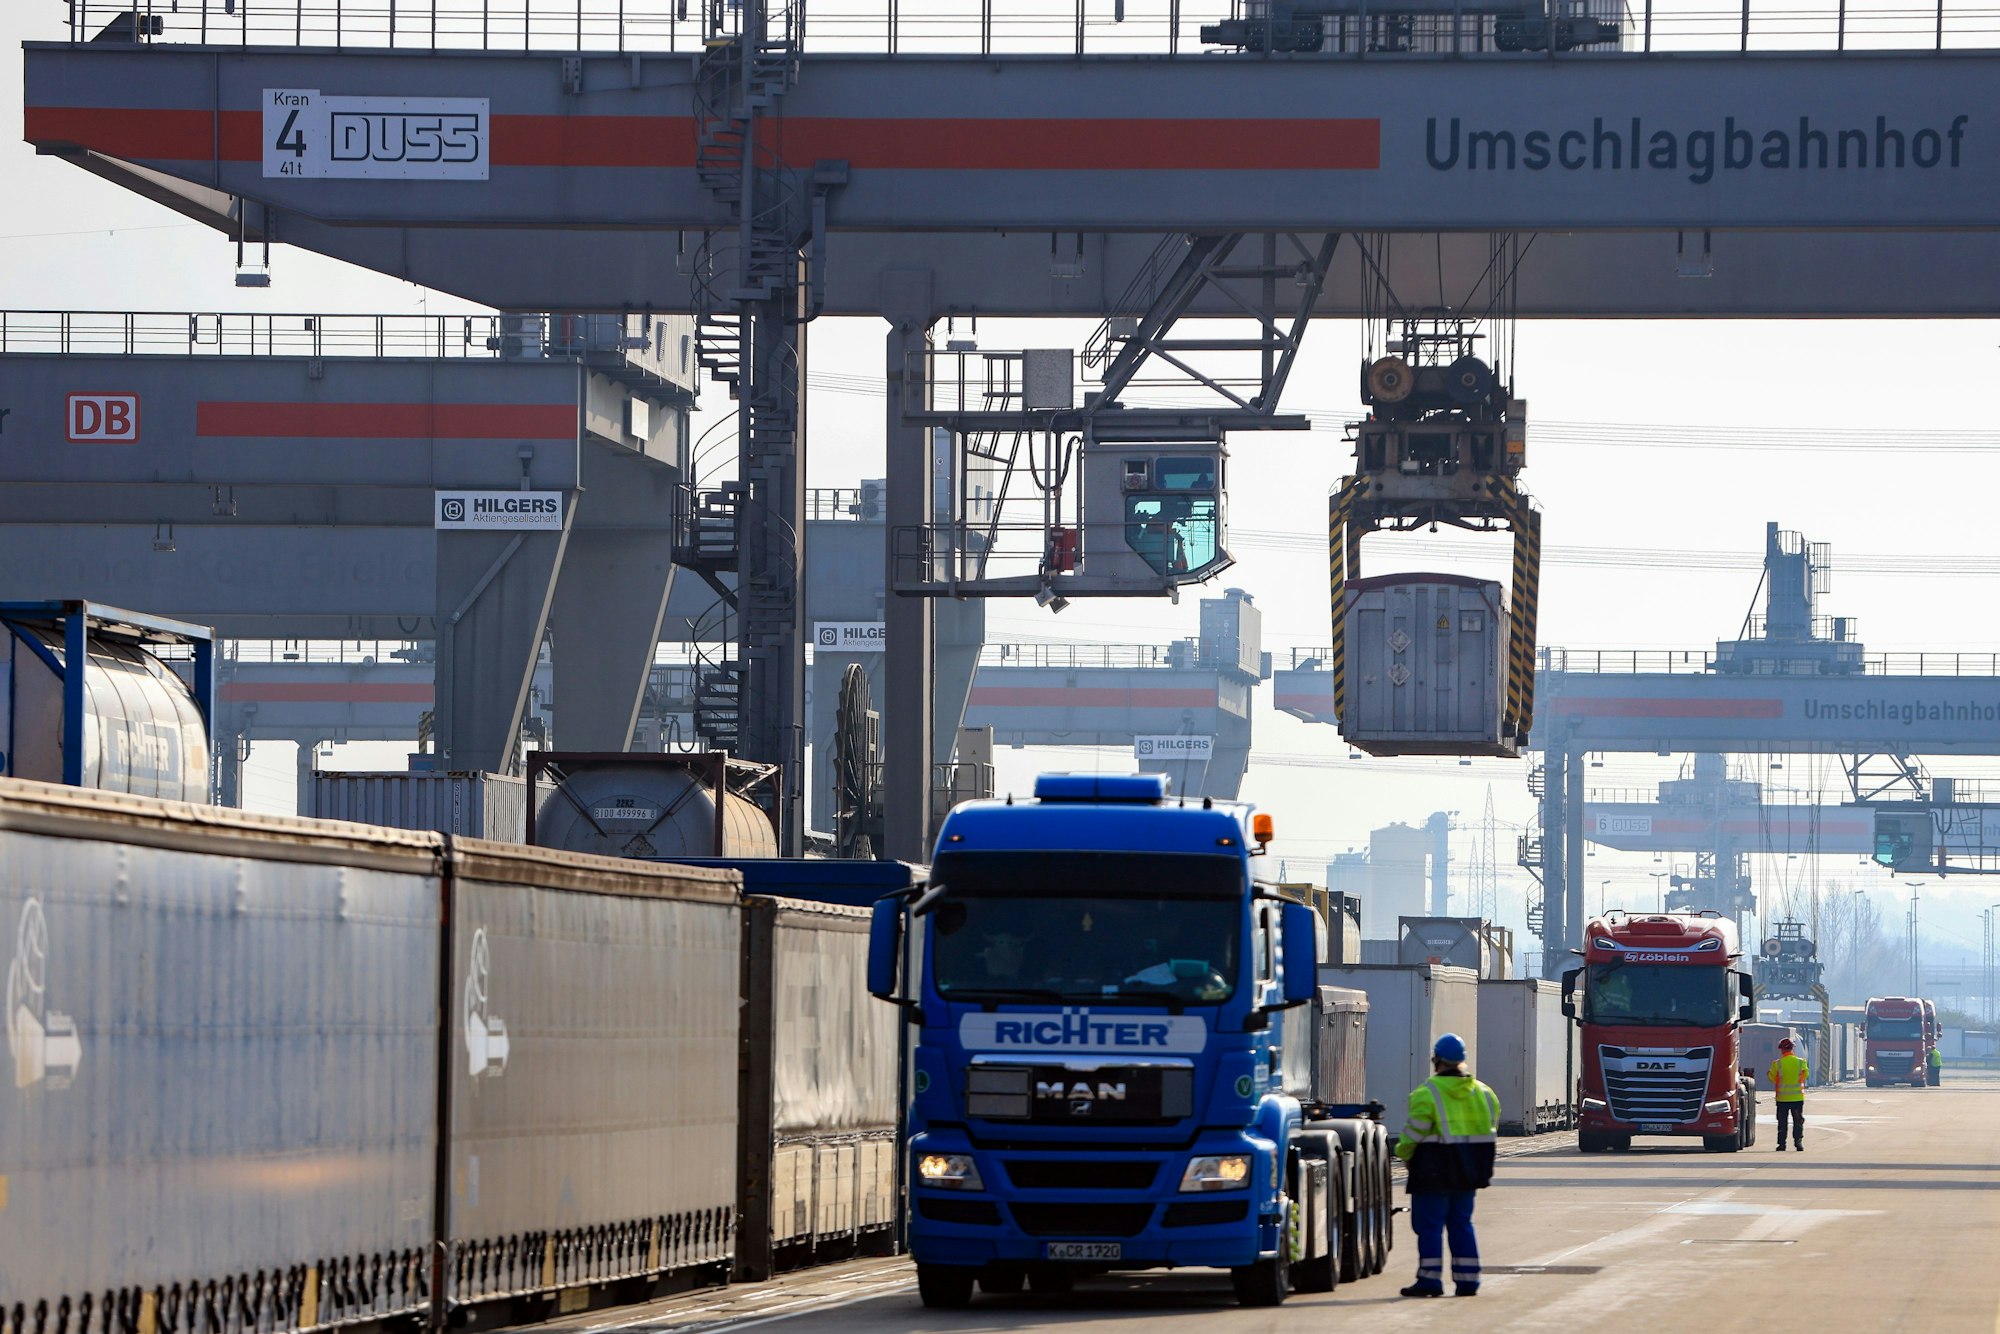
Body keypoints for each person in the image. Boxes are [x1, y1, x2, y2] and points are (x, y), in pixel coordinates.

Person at [1394, 1033, 1501, 1298]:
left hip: (1432, 1170)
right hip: (1468, 1170)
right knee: (1461, 1223)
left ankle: (1429, 1281)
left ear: (1436, 1060)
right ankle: (1468, 1281)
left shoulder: (1426, 1093)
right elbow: (1490, 1127)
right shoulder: (1484, 1093)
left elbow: (1413, 1134)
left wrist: (1403, 1153)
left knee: (1429, 1226)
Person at [1768, 1037, 1809, 1151]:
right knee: (1798, 1121)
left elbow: (1772, 1078)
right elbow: (1805, 1076)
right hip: (1797, 1098)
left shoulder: (1777, 1064)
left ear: (1781, 1050)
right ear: (1792, 1049)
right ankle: (1798, 1143)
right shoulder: (1801, 1063)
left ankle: (1782, 1144)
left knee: (1782, 1122)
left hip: (1782, 1099)